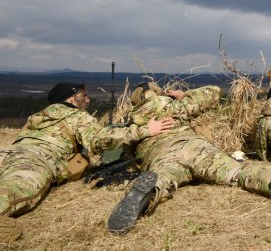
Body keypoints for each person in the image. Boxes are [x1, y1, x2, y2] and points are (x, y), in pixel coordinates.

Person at [97, 82, 271, 235]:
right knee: (236, 172)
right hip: (193, 148)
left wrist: (142, 130)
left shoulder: (134, 121)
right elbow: (214, 92)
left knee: (163, 177)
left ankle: (148, 193)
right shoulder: (176, 107)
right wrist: (184, 96)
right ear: (158, 94)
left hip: (161, 155)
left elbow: (101, 139)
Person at [0, 82, 173, 243]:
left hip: (8, 153)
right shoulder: (75, 116)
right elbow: (100, 140)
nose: (88, 99)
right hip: (35, 159)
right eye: (84, 96)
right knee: (14, 190)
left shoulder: (38, 116)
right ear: (72, 98)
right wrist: (145, 130)